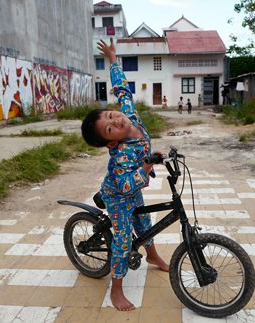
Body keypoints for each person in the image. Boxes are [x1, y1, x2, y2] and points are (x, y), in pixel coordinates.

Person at [81, 38, 169, 312]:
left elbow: (121, 89)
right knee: (121, 239)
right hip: (118, 195)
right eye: (110, 128)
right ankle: (116, 289)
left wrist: (112, 60)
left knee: (144, 223)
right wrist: (145, 168)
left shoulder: (128, 113)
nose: (115, 120)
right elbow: (124, 182)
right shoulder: (120, 156)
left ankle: (152, 256)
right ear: (111, 143)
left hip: (135, 188)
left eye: (110, 115)